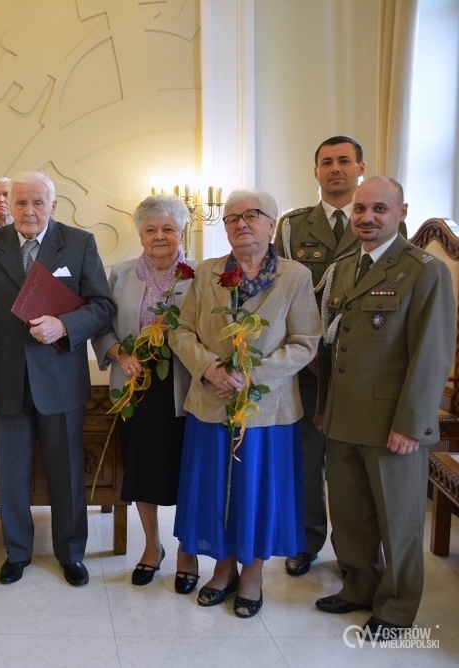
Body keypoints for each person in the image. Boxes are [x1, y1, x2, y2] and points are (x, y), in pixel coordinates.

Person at [314, 176, 455, 640]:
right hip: (343, 416)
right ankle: (359, 585)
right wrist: (324, 406)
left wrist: (412, 424)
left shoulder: (423, 271)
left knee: (398, 520)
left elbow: (432, 354)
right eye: (360, 208)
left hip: (393, 421)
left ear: (401, 212)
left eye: (379, 209)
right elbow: (332, 346)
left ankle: (396, 608)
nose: (367, 217)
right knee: (350, 514)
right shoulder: (344, 266)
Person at [170, 189, 320, 618]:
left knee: (255, 493)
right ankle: (224, 568)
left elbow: (305, 342)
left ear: (272, 224)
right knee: (215, 490)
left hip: (267, 409)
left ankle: (252, 573)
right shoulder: (207, 273)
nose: (241, 223)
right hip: (211, 402)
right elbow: (181, 330)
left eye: (252, 215)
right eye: (232, 218)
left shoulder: (295, 276)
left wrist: (250, 376)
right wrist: (212, 369)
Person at [0, 171, 116, 587]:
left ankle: (71, 553)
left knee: (66, 472)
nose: (29, 211)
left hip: (60, 377)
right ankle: (17, 552)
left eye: (38, 203)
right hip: (6, 378)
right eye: (21, 203)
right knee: (12, 473)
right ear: (8, 205)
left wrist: (64, 326)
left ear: (53, 206)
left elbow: (102, 306)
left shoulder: (79, 242)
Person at [274, 136, 402, 577]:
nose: (335, 169)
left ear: (360, 168)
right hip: (308, 366)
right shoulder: (292, 227)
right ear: (315, 172)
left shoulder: (380, 219)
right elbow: (283, 292)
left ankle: (358, 556)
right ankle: (305, 542)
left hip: (362, 367)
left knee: (356, 469)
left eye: (344, 161)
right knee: (307, 463)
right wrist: (306, 351)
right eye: (326, 162)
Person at [91, 194, 198, 593]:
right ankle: (152, 546)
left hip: (187, 389)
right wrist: (119, 355)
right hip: (135, 389)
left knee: (188, 472)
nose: (159, 236)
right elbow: (101, 326)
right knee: (141, 470)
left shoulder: (201, 275)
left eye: (168, 228)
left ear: (182, 232)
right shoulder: (120, 274)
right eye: (151, 229)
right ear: (139, 234)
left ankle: (187, 551)